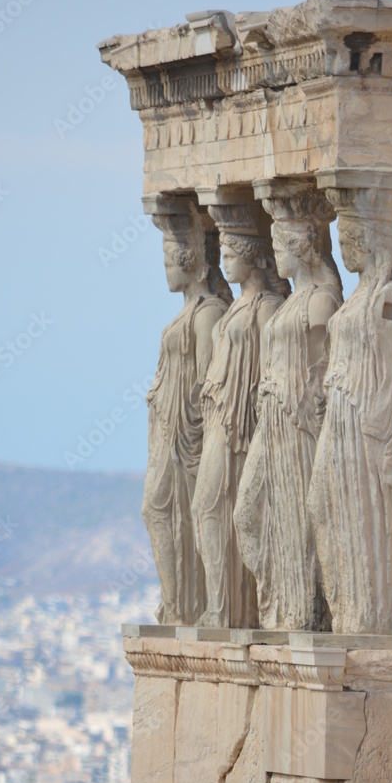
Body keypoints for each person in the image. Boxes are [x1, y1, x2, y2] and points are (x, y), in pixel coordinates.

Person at [309, 188, 392, 635]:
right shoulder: (359, 296)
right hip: (339, 415)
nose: (343, 250)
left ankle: (367, 614)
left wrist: (377, 415)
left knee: (359, 513)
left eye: (348, 240)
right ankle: (346, 609)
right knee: (321, 503)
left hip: (363, 422)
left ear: (370, 241)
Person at [235, 194, 342, 630]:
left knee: (297, 519)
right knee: (248, 513)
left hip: (299, 425)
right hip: (272, 419)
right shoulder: (294, 301)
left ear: (302, 247)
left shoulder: (321, 303)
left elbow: (325, 374)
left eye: (280, 245)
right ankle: (278, 598)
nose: (275, 253)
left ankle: (303, 612)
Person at [193, 207, 288, 628]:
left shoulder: (267, 308)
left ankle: (231, 609)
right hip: (218, 415)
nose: (225, 262)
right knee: (205, 507)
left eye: (232, 255)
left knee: (213, 506)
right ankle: (222, 605)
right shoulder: (232, 308)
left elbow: (271, 369)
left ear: (252, 257)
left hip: (241, 424)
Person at [142, 209, 232, 625]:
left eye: (168, 262)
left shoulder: (209, 312)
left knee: (164, 510)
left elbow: (206, 380)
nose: (165, 271)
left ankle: (183, 606)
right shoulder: (187, 311)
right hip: (166, 426)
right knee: (157, 510)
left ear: (190, 261)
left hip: (187, 432)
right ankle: (176, 604)